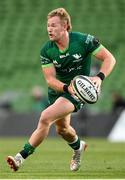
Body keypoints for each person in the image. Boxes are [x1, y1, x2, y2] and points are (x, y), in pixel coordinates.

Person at [6, 7, 116, 172]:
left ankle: (20, 157)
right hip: (60, 89)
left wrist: (99, 77)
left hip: (78, 92)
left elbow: (109, 58)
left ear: (65, 26)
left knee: (45, 117)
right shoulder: (47, 50)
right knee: (62, 130)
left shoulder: (83, 41)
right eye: (48, 25)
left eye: (54, 25)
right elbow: (50, 80)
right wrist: (66, 87)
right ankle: (78, 147)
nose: (49, 29)